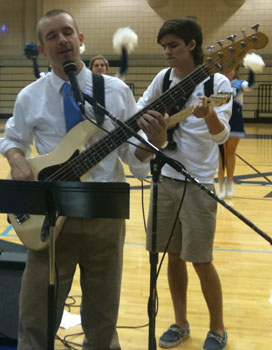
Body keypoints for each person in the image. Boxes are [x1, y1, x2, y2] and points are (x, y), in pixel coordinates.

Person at [0, 9, 166, 349]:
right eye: (52, 36)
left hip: (105, 215)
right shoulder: (30, 96)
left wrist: (154, 144)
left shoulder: (115, 91)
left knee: (103, 320)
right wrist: (17, 161)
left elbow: (133, 157)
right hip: (51, 216)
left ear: (81, 39)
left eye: (68, 32)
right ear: (43, 49)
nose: (62, 40)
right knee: (35, 318)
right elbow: (12, 140)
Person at [136, 18, 231, 350]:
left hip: (199, 184)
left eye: (173, 45)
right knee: (171, 257)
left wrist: (210, 115)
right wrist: (151, 131)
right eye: (163, 46)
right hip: (165, 179)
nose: (167, 52)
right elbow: (139, 115)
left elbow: (221, 136)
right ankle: (180, 322)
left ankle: (218, 328)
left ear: (192, 44)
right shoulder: (162, 80)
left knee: (201, 259)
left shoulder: (215, 83)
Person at [217, 67, 254, 198]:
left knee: (231, 153)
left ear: (234, 71)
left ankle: (230, 183)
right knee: (221, 154)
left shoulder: (239, 83)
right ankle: (220, 183)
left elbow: (250, 85)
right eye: (226, 71)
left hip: (236, 122)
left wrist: (252, 70)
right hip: (220, 121)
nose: (229, 73)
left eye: (231, 70)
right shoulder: (217, 83)